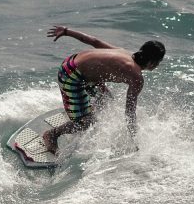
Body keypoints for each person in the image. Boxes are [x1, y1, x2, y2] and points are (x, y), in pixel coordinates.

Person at [42, 25, 165, 154]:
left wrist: (67, 31)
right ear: (152, 63)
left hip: (71, 62)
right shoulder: (136, 77)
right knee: (87, 123)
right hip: (71, 75)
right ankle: (53, 134)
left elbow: (94, 41)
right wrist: (135, 139)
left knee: (106, 99)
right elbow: (130, 111)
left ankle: (82, 113)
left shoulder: (124, 52)